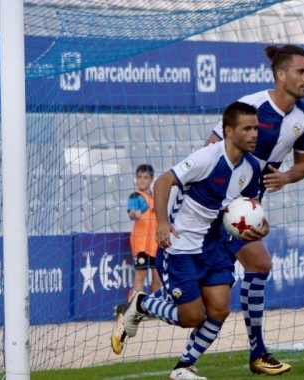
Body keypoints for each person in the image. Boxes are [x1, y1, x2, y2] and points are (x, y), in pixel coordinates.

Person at [112, 101, 266, 380]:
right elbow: (162, 182)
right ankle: (141, 303)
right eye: (248, 128)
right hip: (180, 247)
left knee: (220, 309)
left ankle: (183, 368)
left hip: (213, 246)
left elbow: (248, 205)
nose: (255, 133)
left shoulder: (252, 167)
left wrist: (258, 225)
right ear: (229, 131)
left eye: (256, 127)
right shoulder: (207, 158)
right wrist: (162, 223)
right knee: (192, 318)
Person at [203, 44, 304, 376]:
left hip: (242, 212)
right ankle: (140, 307)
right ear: (281, 75)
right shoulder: (251, 106)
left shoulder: (303, 117)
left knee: (260, 264)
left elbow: (303, 164)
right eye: (301, 71)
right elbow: (209, 149)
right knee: (194, 307)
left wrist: (286, 176)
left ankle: (258, 352)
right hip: (212, 207)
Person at [127, 164, 161, 298]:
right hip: (141, 243)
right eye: (139, 177)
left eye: (145, 177)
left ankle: (155, 306)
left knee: (157, 275)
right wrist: (134, 214)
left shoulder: (155, 196)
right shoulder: (135, 196)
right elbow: (131, 213)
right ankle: (137, 308)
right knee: (140, 275)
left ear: (151, 179)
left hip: (155, 243)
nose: (142, 180)